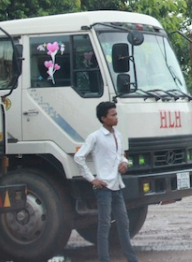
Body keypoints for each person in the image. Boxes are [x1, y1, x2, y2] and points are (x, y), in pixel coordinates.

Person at [75, 101, 139, 262]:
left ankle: (132, 259)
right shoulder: (95, 137)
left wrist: (125, 162)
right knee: (104, 226)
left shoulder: (118, 135)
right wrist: (92, 179)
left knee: (123, 224)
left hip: (117, 186)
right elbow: (79, 157)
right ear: (103, 118)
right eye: (113, 115)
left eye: (116, 114)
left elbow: (120, 155)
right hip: (103, 188)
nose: (116, 117)